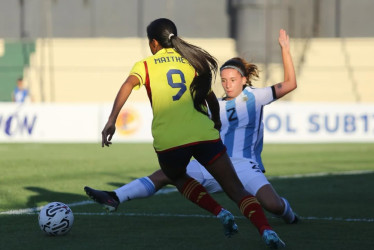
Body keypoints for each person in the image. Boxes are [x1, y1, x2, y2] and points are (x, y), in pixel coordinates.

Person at [85, 18, 285, 248]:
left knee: (177, 176)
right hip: (203, 134)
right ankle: (266, 231)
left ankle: (220, 212)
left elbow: (128, 85)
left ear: (153, 44)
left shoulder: (146, 64)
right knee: (236, 190)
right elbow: (210, 98)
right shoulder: (192, 62)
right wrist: (217, 123)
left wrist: (111, 120)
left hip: (170, 139)